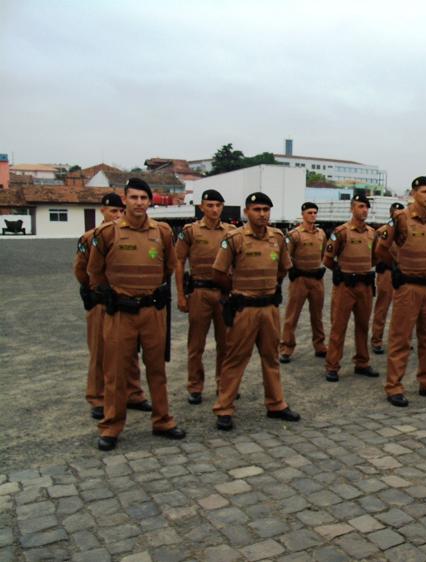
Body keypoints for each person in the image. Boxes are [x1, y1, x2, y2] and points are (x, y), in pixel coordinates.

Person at [88, 178, 185, 451]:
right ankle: (111, 427)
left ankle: (163, 420)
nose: (139, 203)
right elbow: (95, 272)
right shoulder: (108, 233)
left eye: (144, 198)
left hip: (152, 311)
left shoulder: (163, 231)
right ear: (125, 200)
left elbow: (169, 266)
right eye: (134, 198)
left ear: (150, 201)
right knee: (115, 373)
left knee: (157, 369)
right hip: (120, 312)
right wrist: (115, 295)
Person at [211, 192, 300, 430]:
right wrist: (238, 290)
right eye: (257, 209)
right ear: (246, 212)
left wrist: (269, 287)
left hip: (269, 308)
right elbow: (219, 273)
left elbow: (283, 269)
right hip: (245, 308)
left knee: (271, 358)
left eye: (266, 210)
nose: (262, 214)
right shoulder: (234, 238)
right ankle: (225, 408)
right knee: (236, 358)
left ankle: (276, 404)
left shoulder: (278, 238)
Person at [74, 192, 149, 420]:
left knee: (130, 351)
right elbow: (81, 269)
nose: (116, 215)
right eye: (112, 211)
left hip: (125, 304)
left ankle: (133, 393)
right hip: (101, 303)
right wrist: (94, 290)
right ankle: (97, 398)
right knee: (100, 350)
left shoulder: (128, 236)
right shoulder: (91, 237)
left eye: (119, 211)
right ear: (103, 211)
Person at [376, 176, 426, 407]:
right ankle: (394, 387)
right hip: (408, 287)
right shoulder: (401, 218)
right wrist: (397, 267)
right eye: (424, 191)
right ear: (413, 193)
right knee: (401, 339)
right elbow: (381, 248)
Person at [175, 189, 236, 405]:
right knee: (196, 344)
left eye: (218, 205)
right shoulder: (190, 231)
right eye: (209, 205)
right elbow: (179, 261)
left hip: (223, 294)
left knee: (226, 343)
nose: (214, 209)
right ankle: (195, 386)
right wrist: (181, 296)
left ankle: (223, 384)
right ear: (202, 207)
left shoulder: (231, 232)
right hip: (199, 293)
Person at [323, 194, 379, 382]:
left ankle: (362, 362)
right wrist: (341, 272)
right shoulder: (341, 232)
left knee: (363, 326)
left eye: (366, 207)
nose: (364, 210)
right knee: (339, 327)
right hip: (346, 286)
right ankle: (332, 366)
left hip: (365, 285)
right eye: (360, 206)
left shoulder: (372, 233)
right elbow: (328, 259)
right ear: (352, 208)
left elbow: (375, 257)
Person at [279, 202, 327, 363]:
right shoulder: (294, 235)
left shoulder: (321, 234)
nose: (313, 215)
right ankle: (286, 347)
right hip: (299, 280)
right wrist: (293, 271)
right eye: (309, 212)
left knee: (317, 316)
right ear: (303, 214)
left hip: (316, 279)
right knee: (292, 316)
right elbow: (286, 256)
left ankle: (320, 346)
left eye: (315, 212)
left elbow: (323, 254)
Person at [370, 202, 405, 354]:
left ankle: (402, 341)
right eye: (396, 212)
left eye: (401, 212)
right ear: (391, 214)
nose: (398, 215)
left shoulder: (407, 232)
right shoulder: (382, 231)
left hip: (404, 274)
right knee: (382, 307)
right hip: (387, 273)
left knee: (404, 309)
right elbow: (376, 253)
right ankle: (377, 340)